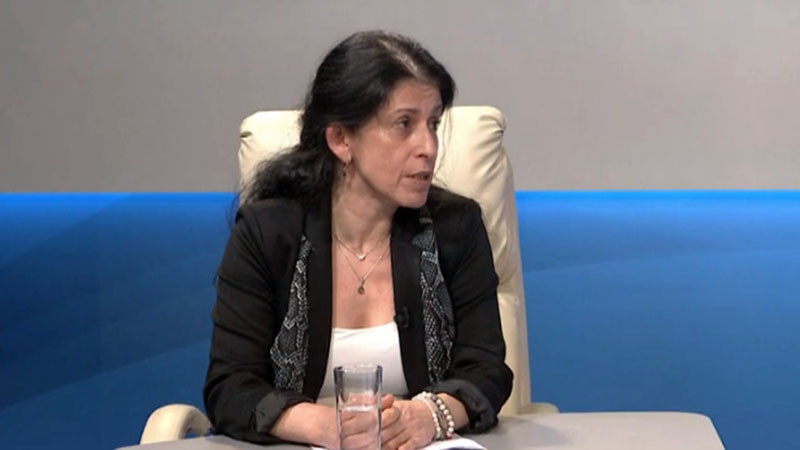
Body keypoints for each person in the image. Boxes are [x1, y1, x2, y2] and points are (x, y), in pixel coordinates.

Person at [203, 30, 512, 449]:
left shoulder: (456, 228)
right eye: (404, 124)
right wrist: (324, 426)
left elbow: (487, 371)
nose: (428, 146)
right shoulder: (267, 233)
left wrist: (429, 415)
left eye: (433, 124)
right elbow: (230, 386)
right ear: (341, 139)